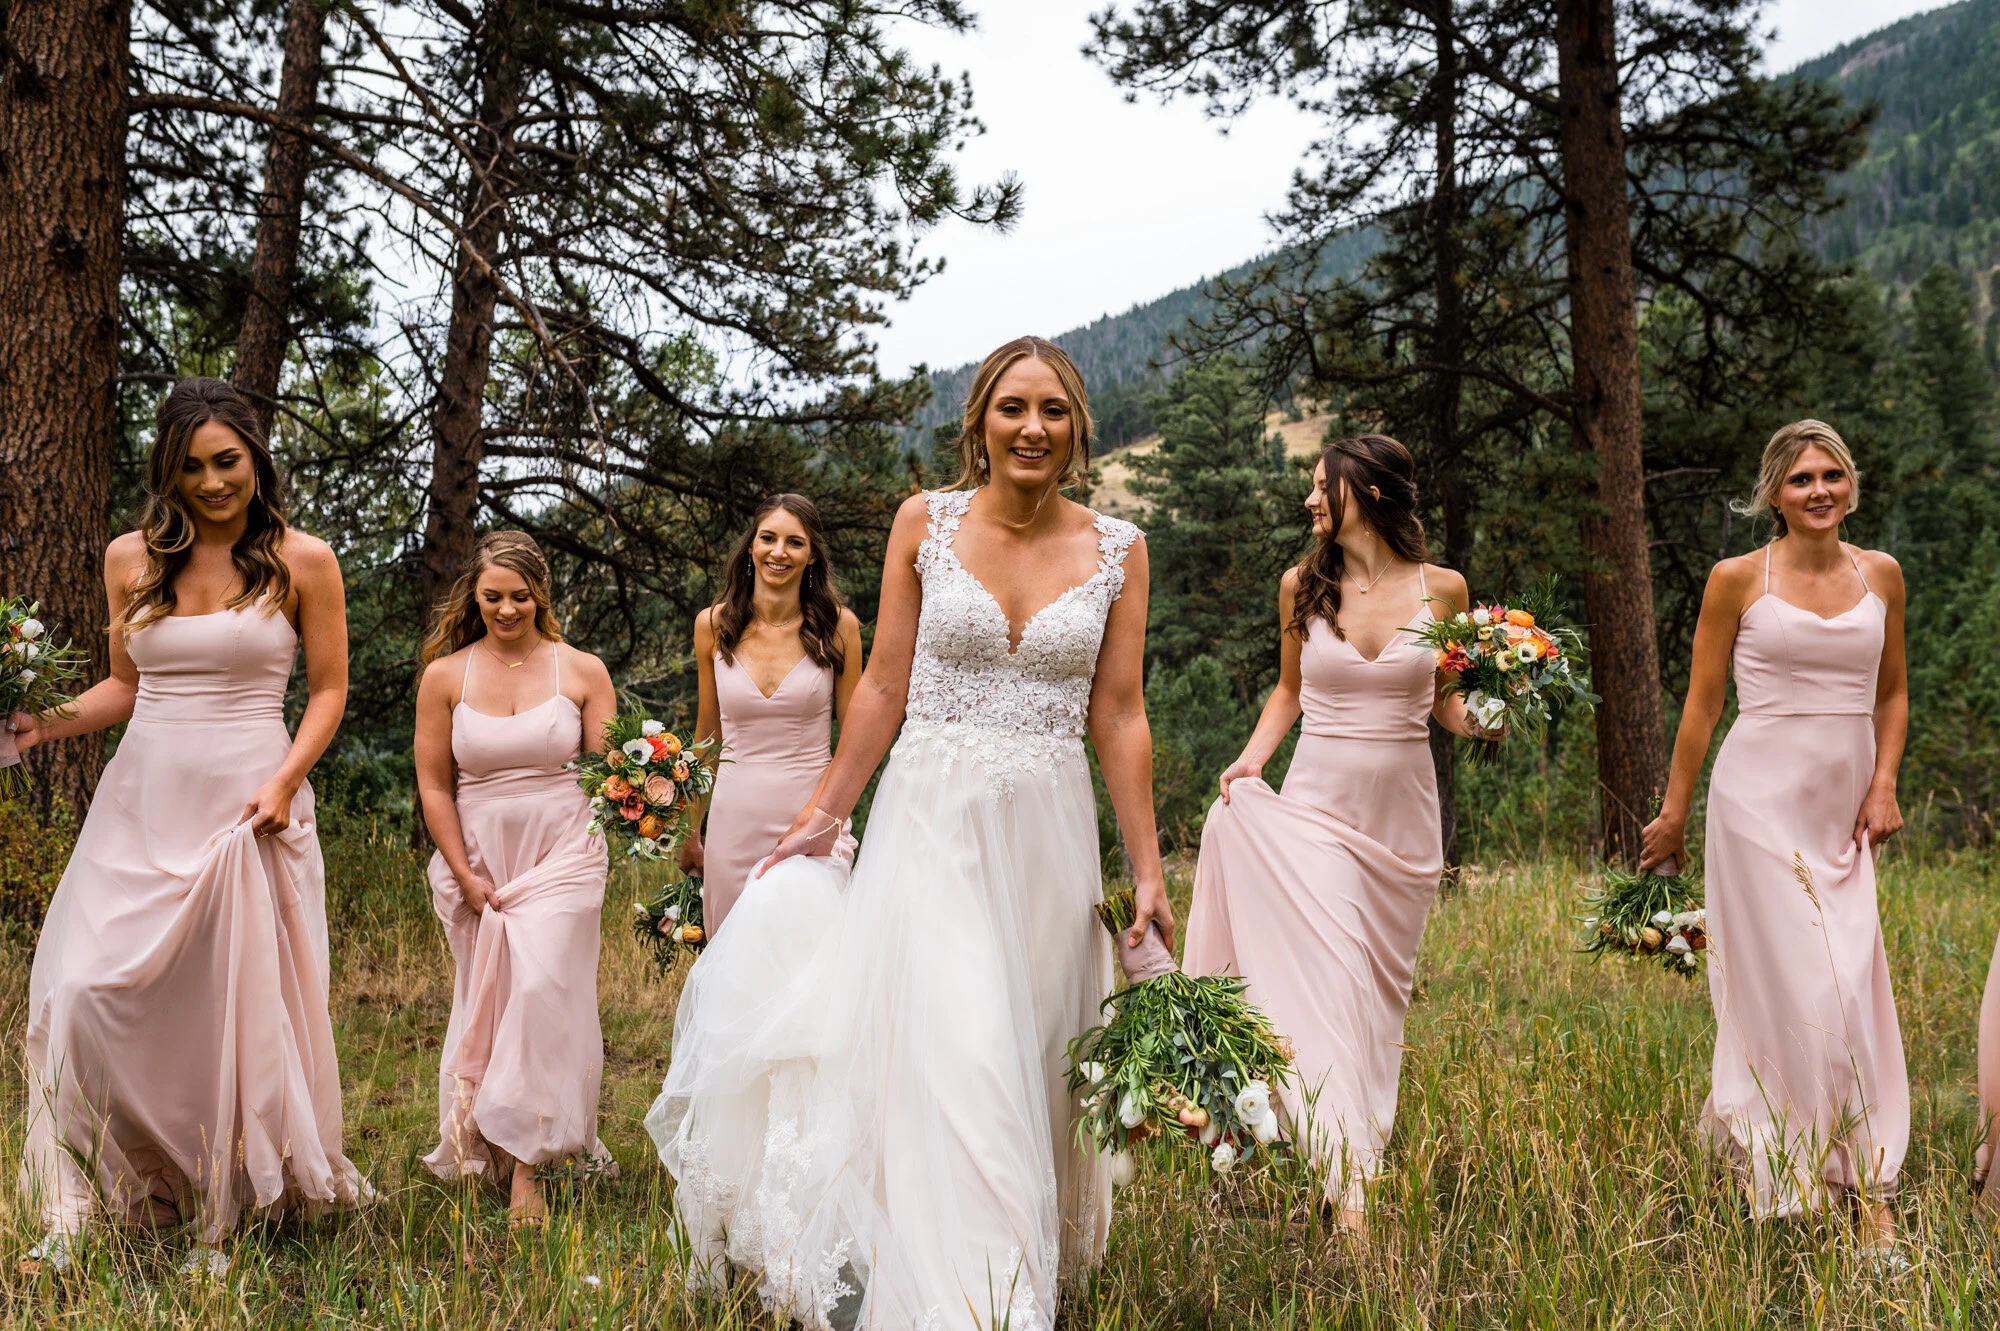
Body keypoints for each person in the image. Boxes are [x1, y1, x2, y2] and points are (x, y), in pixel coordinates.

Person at [645, 335, 1170, 1329]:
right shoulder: (924, 522)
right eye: (1012, 407)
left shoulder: (1119, 548)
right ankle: (974, 1303)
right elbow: (883, 685)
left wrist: (1145, 867)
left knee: (1028, 1051)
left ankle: (1002, 1260)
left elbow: (1119, 712)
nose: (1032, 427)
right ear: (979, 423)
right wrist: (823, 813)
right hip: (930, 818)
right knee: (958, 1043)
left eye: (1053, 410)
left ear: (1077, 429)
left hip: (1048, 831)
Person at [10, 378, 369, 1274]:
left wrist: (286, 781)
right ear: (167, 471)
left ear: (256, 457)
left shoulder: (303, 560)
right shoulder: (129, 558)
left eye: (227, 462)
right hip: (141, 803)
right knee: (84, 991)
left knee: (229, 1006)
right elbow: (125, 685)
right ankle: (93, 1195)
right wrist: (39, 721)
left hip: (250, 803)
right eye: (192, 467)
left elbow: (329, 690)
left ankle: (225, 1202)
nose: (212, 483)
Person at [1183, 434, 1490, 1234]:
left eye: (1325, 486)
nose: (1311, 500)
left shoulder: (1444, 589)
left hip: (1402, 829)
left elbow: (1447, 700)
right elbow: (1288, 691)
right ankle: (1348, 1189)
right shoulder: (1302, 585)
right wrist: (1250, 761)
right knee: (1325, 991)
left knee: (1372, 1008)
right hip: (1315, 811)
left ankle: (1342, 1150)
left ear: (1373, 491)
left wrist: (1486, 719)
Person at [1641, 419, 1908, 1249]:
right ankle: (1825, 1179)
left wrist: (1884, 783)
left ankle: (1854, 1171)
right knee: (1801, 987)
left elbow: (1892, 694)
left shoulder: (1881, 574)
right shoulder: (1736, 579)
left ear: (1850, 485)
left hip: (1842, 810)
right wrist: (1674, 813)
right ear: (1774, 495)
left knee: (1849, 986)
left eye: (1832, 474)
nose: (1819, 490)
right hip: (1757, 806)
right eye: (1801, 479)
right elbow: (1702, 705)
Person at [413, 531, 618, 1227]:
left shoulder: (582, 670)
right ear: (473, 597)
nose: (506, 609)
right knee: (495, 1000)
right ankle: (497, 1138)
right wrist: (463, 871)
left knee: (540, 991)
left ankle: (530, 1165)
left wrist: (647, 783)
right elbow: (434, 785)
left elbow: (608, 776)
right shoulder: (446, 677)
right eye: (493, 596)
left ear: (541, 595)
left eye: (520, 597)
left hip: (565, 853)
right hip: (480, 858)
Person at [678, 495, 863, 935]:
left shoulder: (840, 627)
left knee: (809, 952)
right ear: (751, 546)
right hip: (732, 821)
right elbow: (708, 736)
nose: (778, 552)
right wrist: (690, 830)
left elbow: (856, 740)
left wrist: (823, 817)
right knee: (731, 950)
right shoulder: (713, 625)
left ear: (811, 554)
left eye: (794, 542)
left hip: (811, 817)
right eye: (768, 538)